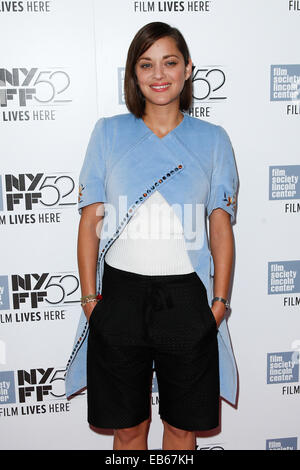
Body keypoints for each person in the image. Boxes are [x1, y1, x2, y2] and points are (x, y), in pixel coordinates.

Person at [65, 22, 239, 451]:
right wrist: (91, 301)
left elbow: (220, 226)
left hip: (187, 299)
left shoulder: (214, 140)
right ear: (134, 73)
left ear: (188, 68)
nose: (159, 75)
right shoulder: (108, 133)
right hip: (120, 297)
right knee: (128, 430)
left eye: (169, 62)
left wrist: (218, 305)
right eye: (146, 64)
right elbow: (90, 223)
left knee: (182, 430)